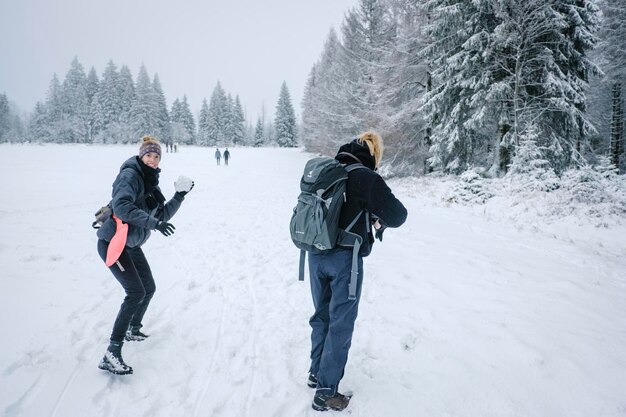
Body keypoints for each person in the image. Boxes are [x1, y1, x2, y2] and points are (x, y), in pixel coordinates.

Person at [306, 132, 407, 411]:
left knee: (322, 316)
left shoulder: (326, 171)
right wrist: (378, 218)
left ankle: (317, 373)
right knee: (341, 323)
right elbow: (398, 215)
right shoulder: (366, 177)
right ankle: (326, 392)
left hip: (314, 254)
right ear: (374, 155)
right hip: (344, 261)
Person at [96, 136, 194, 375]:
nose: (152, 159)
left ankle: (132, 328)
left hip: (130, 245)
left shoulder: (151, 182)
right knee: (135, 292)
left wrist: (179, 196)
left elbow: (161, 214)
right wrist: (153, 223)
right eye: (148, 155)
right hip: (113, 243)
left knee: (148, 287)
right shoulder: (130, 175)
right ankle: (112, 352)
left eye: (156, 156)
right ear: (141, 156)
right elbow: (122, 208)